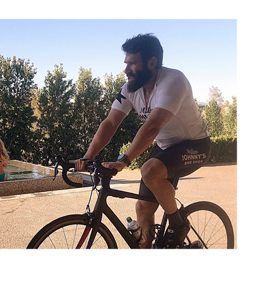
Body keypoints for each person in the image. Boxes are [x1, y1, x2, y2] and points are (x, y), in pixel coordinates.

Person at [75, 34, 210, 248]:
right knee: (142, 209)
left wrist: (124, 160)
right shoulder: (130, 89)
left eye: (132, 63)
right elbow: (110, 123)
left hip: (194, 144)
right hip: (166, 147)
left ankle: (178, 224)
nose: (126, 69)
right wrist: (87, 157)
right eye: (125, 63)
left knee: (149, 170)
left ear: (152, 62)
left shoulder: (173, 81)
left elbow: (153, 126)